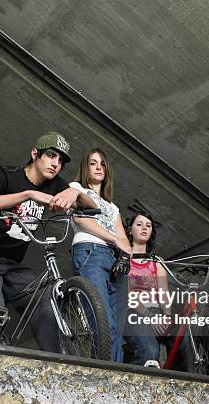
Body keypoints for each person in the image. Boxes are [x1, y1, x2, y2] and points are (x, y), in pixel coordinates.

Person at [0, 132, 94, 352]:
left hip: (11, 266)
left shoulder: (55, 184)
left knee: (48, 303)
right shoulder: (5, 175)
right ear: (34, 153)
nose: (55, 164)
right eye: (50, 155)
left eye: (61, 161)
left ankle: (60, 366)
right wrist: (28, 195)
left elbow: (90, 205)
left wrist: (74, 192)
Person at [69, 148, 131, 362]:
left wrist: (124, 255)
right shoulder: (76, 189)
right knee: (101, 321)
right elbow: (80, 219)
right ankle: (101, 374)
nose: (98, 167)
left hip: (114, 261)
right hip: (90, 252)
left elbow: (124, 239)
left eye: (102, 164)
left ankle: (115, 376)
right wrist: (114, 240)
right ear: (85, 167)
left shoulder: (113, 207)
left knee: (115, 326)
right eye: (93, 163)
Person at [124, 212, 171, 366]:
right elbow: (127, 294)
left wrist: (167, 317)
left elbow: (163, 293)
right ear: (130, 230)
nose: (144, 228)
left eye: (148, 225)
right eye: (139, 224)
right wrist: (149, 316)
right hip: (134, 312)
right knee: (150, 350)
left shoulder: (157, 261)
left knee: (185, 340)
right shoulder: (124, 258)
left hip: (157, 311)